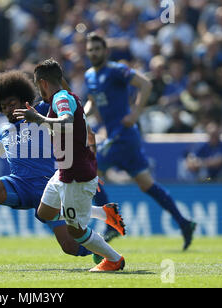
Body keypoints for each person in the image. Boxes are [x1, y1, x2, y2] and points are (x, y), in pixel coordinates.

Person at [0, 70, 125, 265]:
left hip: (48, 187)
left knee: (70, 247)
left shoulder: (40, 111)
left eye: (13, 103)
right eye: (4, 105)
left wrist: (53, 77)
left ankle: (99, 249)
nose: (9, 108)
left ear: (24, 101)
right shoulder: (5, 130)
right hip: (18, 185)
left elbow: (63, 95)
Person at [83, 32, 196, 250]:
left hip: (123, 135)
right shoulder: (89, 76)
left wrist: (135, 113)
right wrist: (82, 114)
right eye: (90, 50)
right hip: (121, 138)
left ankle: (111, 222)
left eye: (97, 49)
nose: (94, 53)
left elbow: (145, 84)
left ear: (106, 51)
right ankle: (184, 223)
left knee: (91, 172)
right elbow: (91, 102)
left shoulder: (116, 70)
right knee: (147, 184)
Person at [12, 59, 125, 272]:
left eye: (38, 86)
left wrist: (37, 118)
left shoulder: (61, 98)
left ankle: (114, 259)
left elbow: (67, 121)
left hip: (76, 176)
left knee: (76, 231)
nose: (39, 91)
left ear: (43, 83)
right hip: (65, 170)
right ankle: (103, 213)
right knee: (44, 212)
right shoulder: (67, 97)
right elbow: (84, 130)